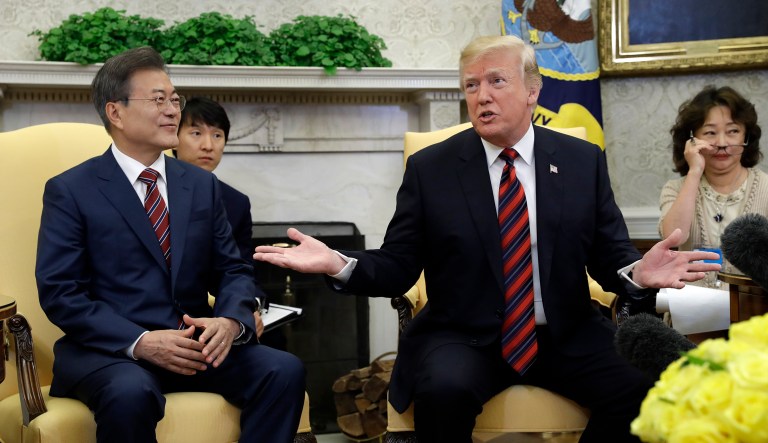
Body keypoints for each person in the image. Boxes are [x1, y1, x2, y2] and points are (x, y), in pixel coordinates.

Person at [254, 35, 719, 443]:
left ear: (533, 91)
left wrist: (637, 272)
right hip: (464, 335)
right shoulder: (432, 168)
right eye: (471, 85)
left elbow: (608, 254)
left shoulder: (581, 160)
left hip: (566, 333)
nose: (481, 96)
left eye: (496, 81)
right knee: (443, 390)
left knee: (647, 388)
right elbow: (398, 264)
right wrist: (338, 262)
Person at [35, 46, 305, 443]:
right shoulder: (71, 190)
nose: (172, 110)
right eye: (158, 99)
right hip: (112, 352)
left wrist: (231, 321)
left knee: (283, 369)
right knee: (131, 392)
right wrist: (140, 341)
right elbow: (61, 293)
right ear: (116, 113)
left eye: (174, 99)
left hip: (193, 345)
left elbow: (233, 269)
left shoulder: (200, 185)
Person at [174, 96, 266, 339]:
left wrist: (248, 307)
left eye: (217, 135)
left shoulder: (236, 203)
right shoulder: (152, 189)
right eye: (196, 133)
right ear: (173, 138)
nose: (208, 145)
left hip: (215, 318)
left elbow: (241, 267)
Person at [659, 85, 767, 279]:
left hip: (751, 305)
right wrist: (694, 171)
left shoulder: (766, 188)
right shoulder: (674, 189)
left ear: (746, 137)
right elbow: (673, 237)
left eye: (733, 131)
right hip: (689, 302)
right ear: (691, 139)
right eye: (710, 133)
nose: (722, 143)